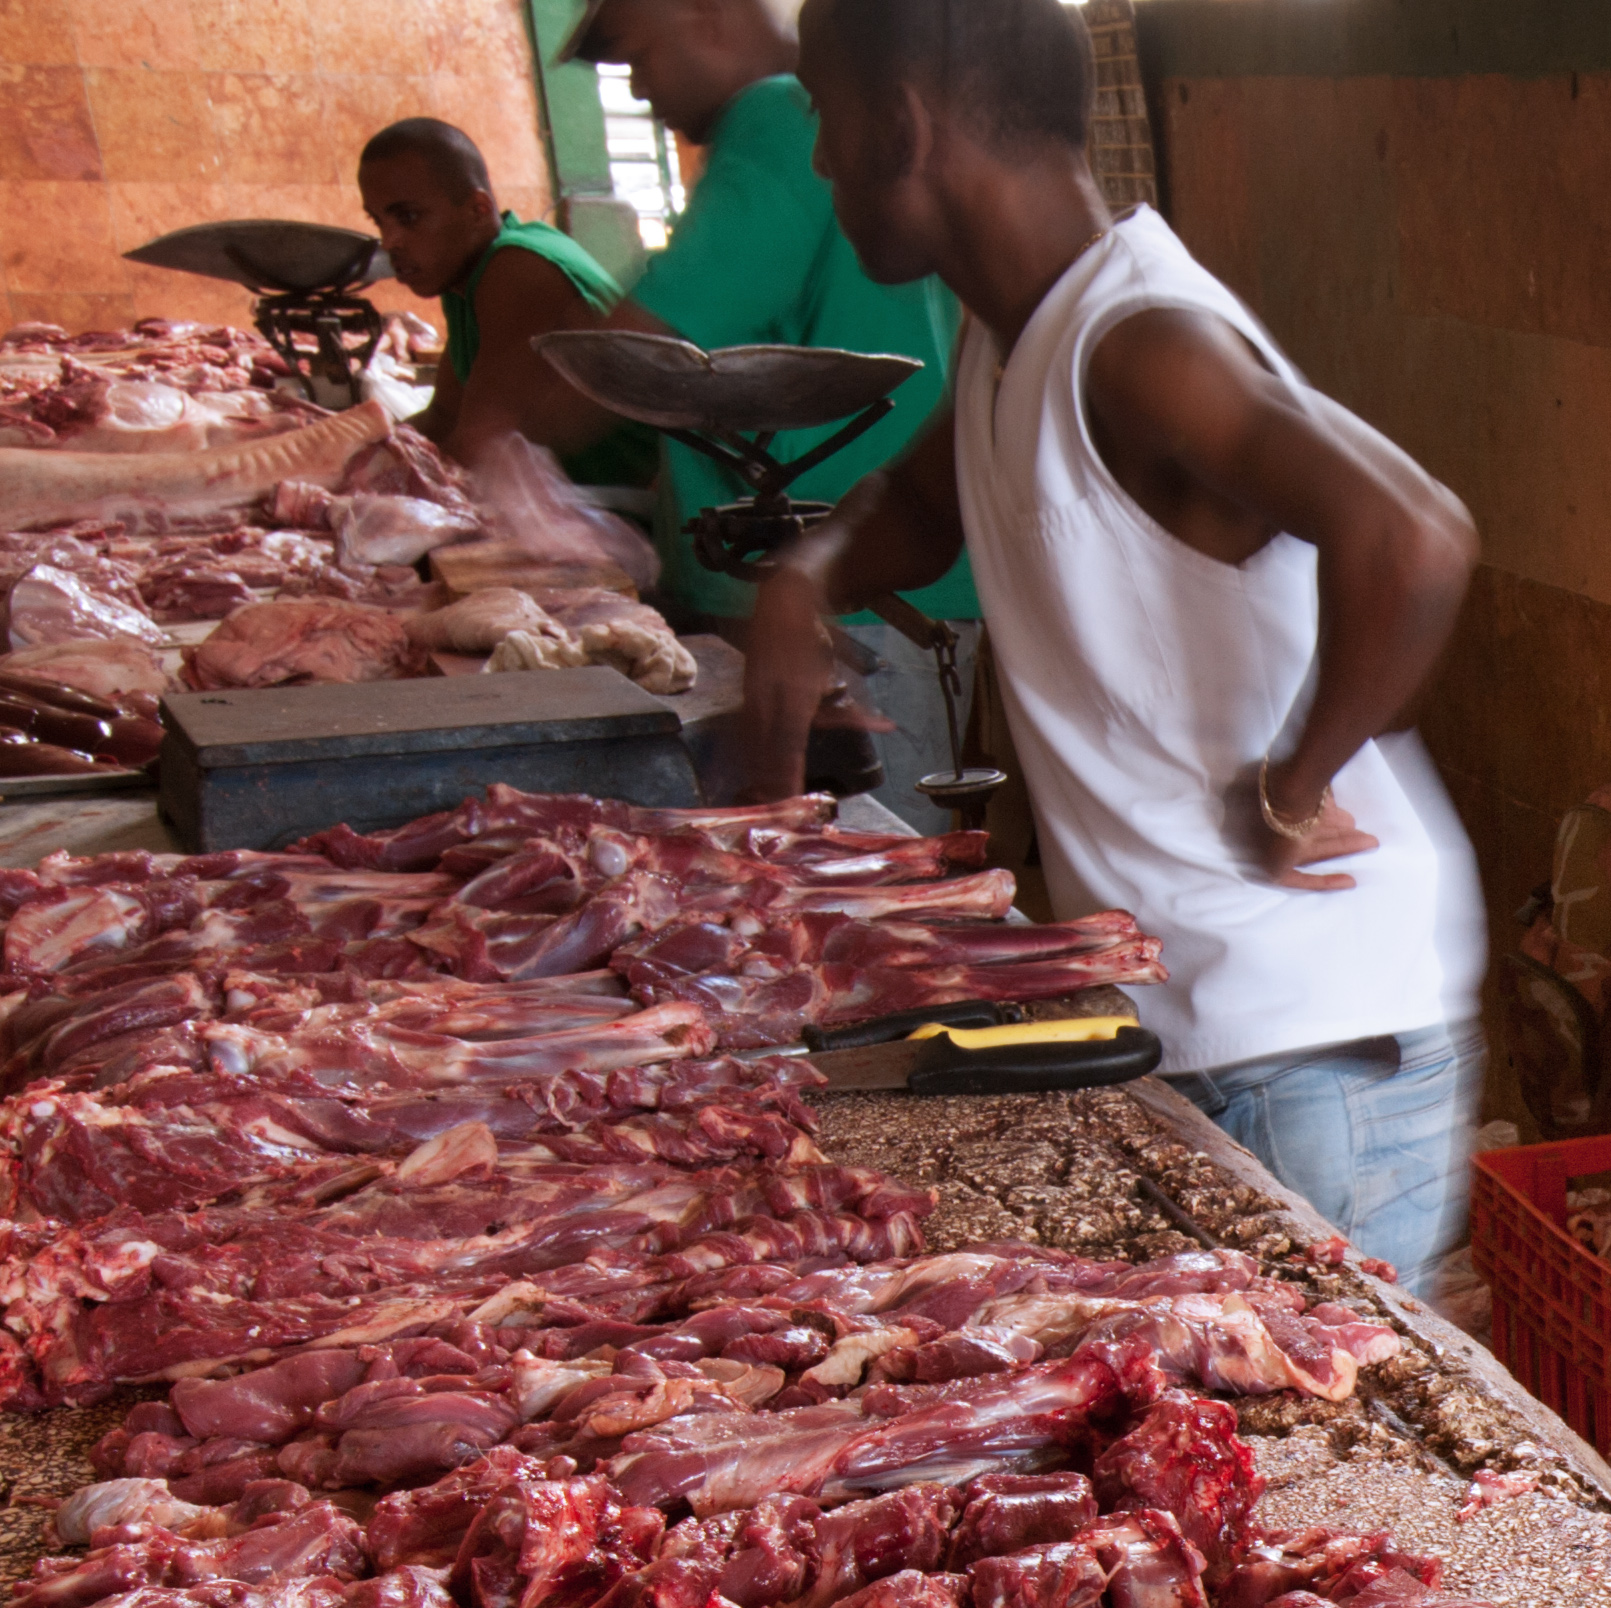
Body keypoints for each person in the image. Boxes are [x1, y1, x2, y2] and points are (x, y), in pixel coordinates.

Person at [739, 0, 1488, 1297]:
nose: (817, 158)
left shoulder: (1136, 345)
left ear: (904, 124)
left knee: (1308, 1442)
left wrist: (1297, 782)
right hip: (1201, 1017)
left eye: (824, 114)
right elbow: (914, 509)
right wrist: (805, 583)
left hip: (1302, 1035)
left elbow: (1413, 534)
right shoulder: (1005, 331)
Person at [533, 0, 979, 636]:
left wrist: (508, 445)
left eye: (638, 54)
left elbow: (641, 341)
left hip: (839, 592)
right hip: (888, 564)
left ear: (708, 15)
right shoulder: (829, 120)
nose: (635, 85)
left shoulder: (777, 114)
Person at [357, 118, 654, 490]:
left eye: (409, 217)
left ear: (477, 209)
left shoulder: (518, 267)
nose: (389, 242)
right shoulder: (463, 282)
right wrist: (346, 459)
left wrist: (352, 483)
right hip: (576, 505)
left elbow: (476, 446)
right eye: (379, 221)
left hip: (642, 511)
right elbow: (443, 417)